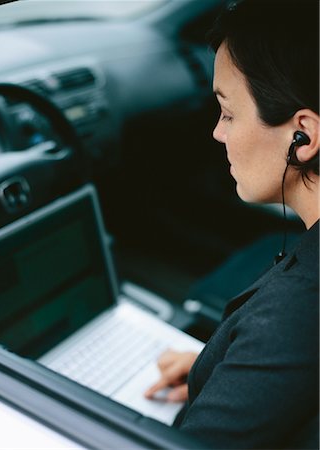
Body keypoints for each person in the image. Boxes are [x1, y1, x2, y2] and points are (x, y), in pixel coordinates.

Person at [145, 0, 319, 448]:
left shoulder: (294, 316)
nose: (217, 133)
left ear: (303, 136)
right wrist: (225, 373)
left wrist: (255, 362)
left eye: (228, 113)